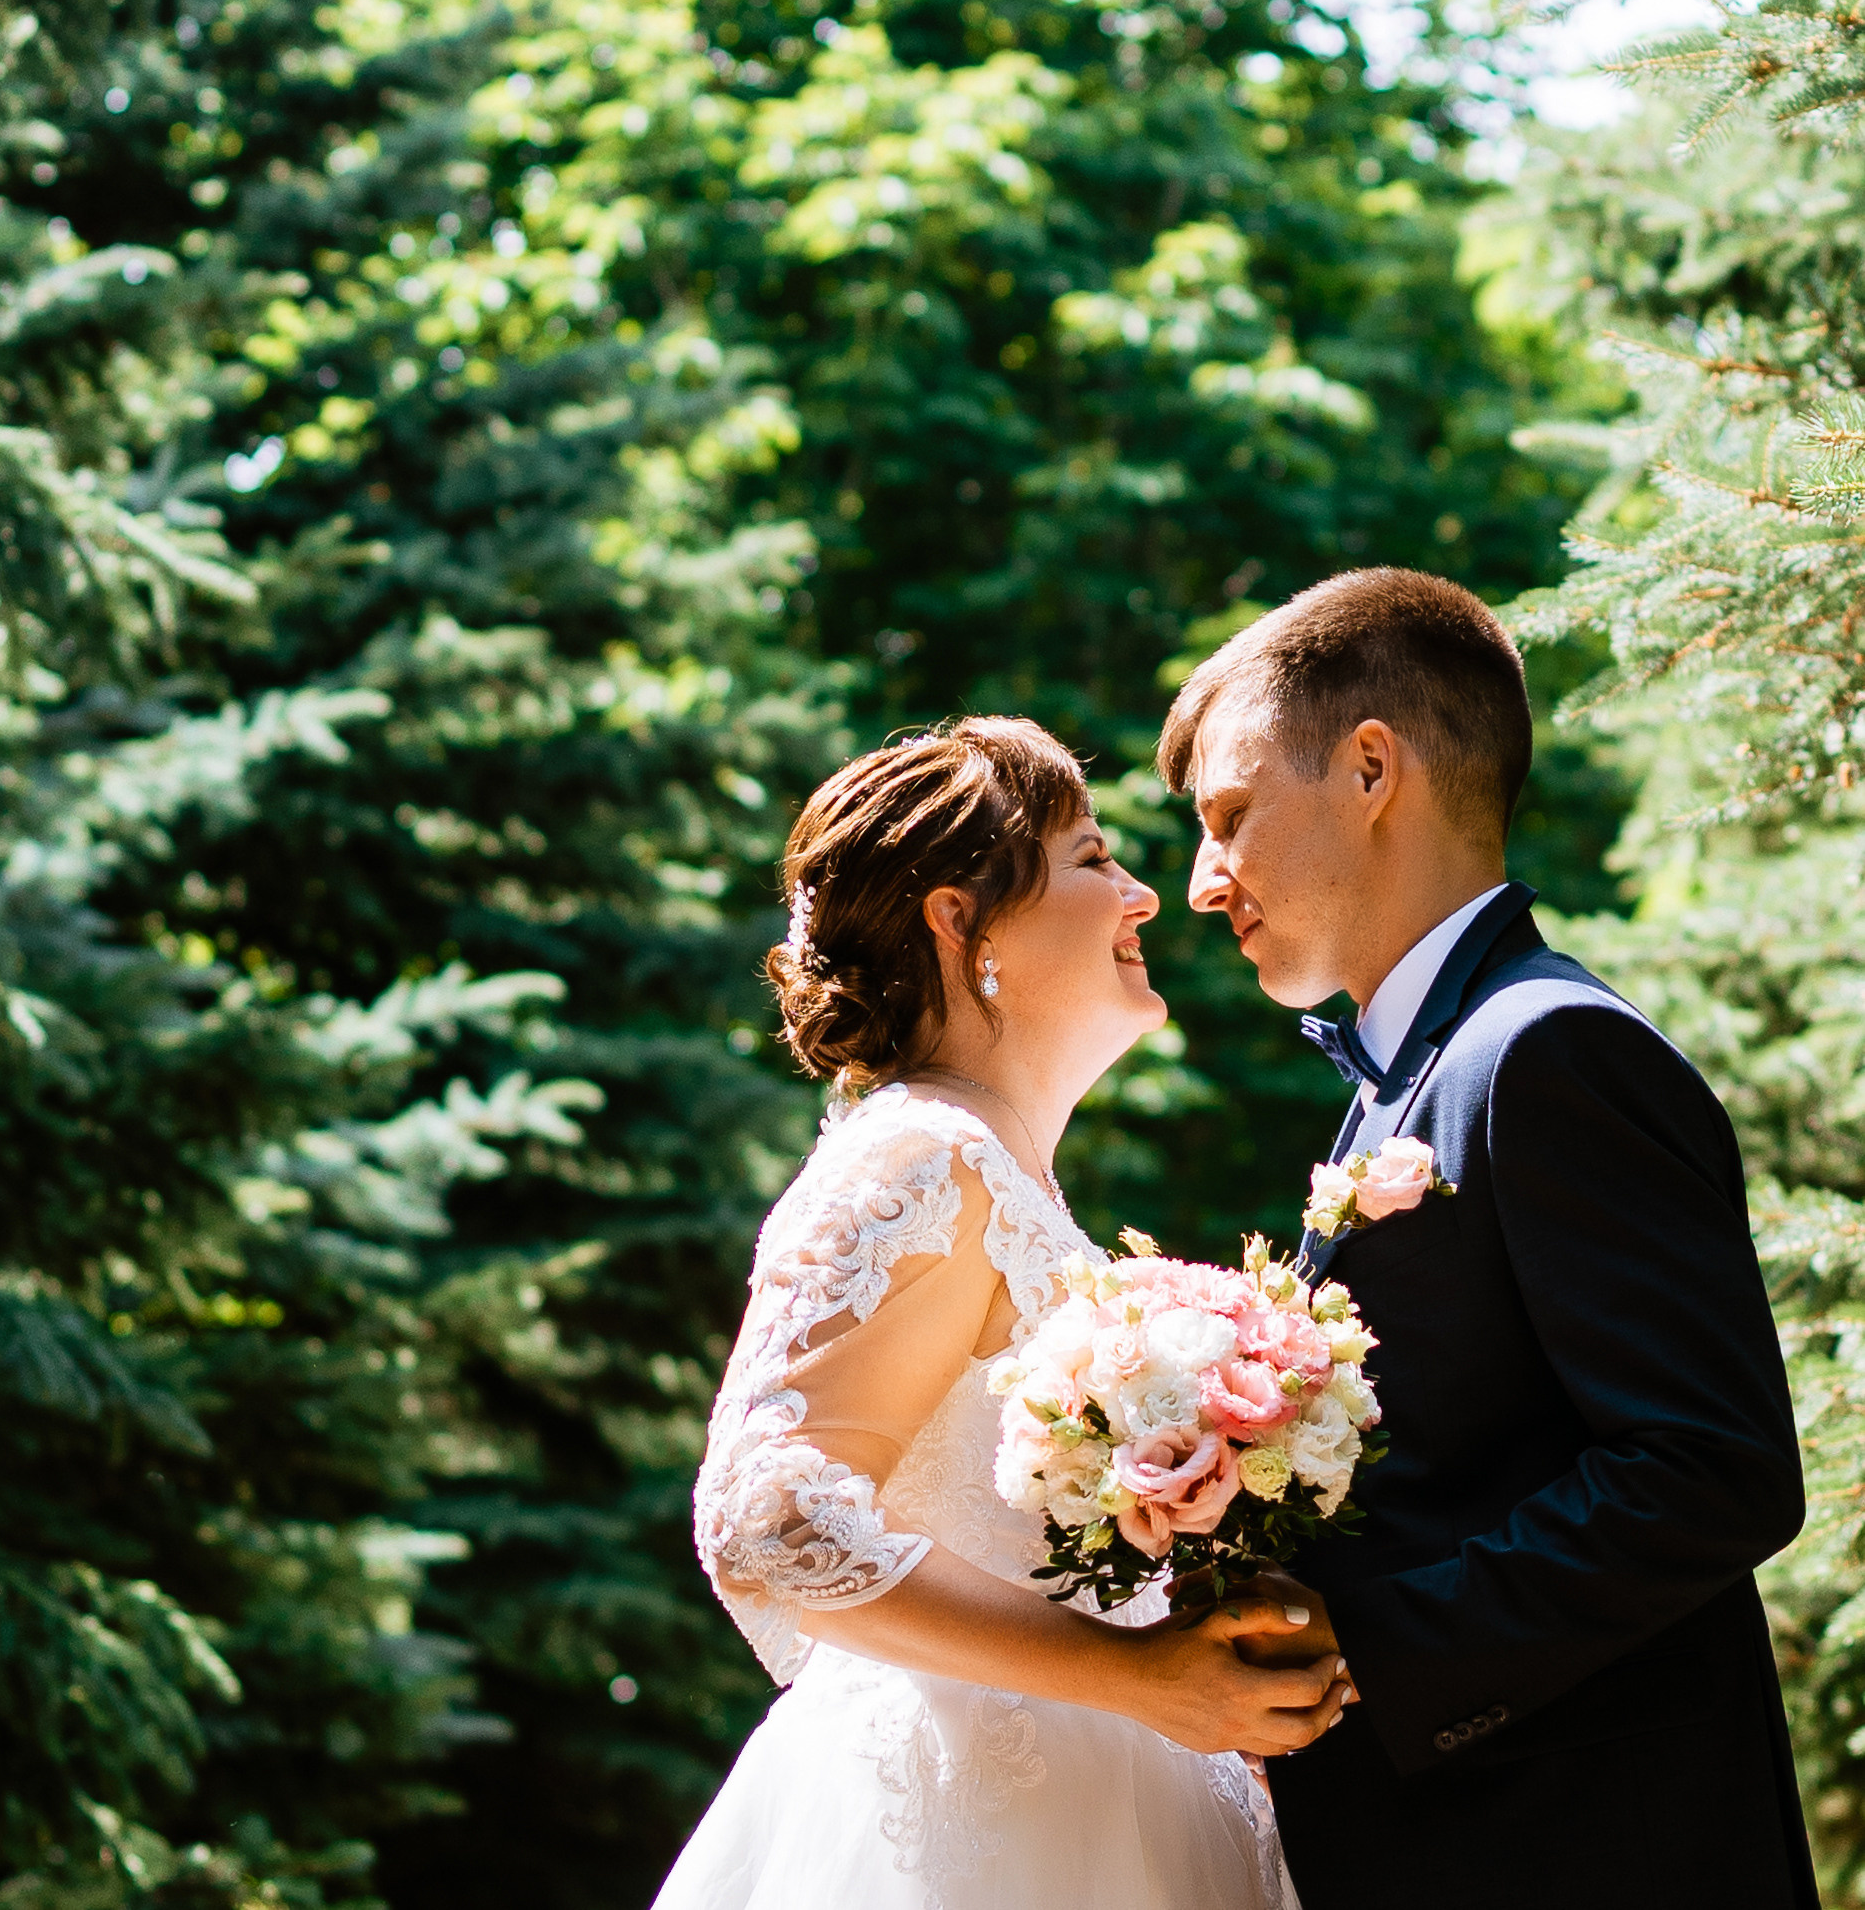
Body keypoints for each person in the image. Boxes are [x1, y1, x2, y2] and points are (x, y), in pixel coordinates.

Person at [1163, 566, 1815, 1910]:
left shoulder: (1548, 1052)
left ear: (1366, 768)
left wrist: (1365, 1648)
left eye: (1226, 818)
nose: (1197, 883)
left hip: (1587, 1853)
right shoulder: (1397, 1085)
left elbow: (1709, 1470)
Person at [658, 715, 1345, 1910]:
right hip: (962, 1836)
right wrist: (1129, 1677)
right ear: (957, 920)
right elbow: (764, 1509)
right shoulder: (921, 1156)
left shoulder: (999, 1173)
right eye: (1091, 858)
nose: (1142, 896)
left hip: (1109, 1805)